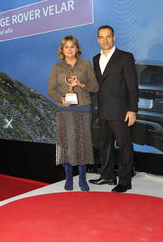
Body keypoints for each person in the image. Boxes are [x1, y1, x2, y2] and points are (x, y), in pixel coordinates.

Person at [89, 25, 138, 193]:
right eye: (102, 37)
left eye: (108, 36)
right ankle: (108, 175)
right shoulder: (95, 59)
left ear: (114, 38)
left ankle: (125, 181)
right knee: (105, 145)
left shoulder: (125, 57)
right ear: (97, 40)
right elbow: (96, 85)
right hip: (103, 110)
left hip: (121, 111)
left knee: (124, 145)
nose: (105, 40)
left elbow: (132, 86)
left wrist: (132, 109)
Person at [48, 35, 99, 191]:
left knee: (82, 143)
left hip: (83, 108)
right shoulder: (57, 67)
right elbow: (50, 89)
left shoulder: (85, 64)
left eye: (72, 46)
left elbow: (95, 87)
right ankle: (69, 178)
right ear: (62, 50)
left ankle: (83, 179)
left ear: (77, 48)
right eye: (66, 47)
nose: (69, 49)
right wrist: (61, 98)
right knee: (68, 145)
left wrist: (81, 84)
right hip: (65, 110)